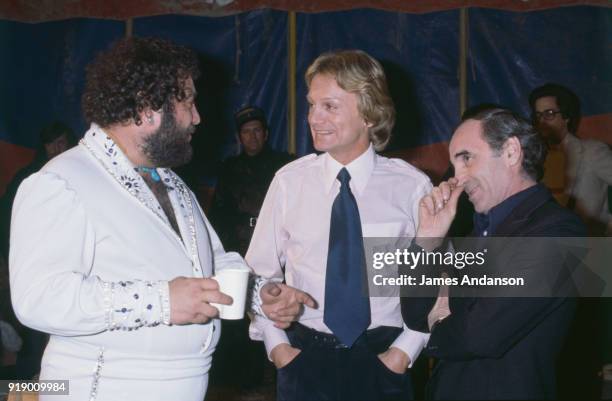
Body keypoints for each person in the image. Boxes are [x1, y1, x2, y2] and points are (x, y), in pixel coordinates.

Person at [9, 37, 246, 401]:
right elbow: (38, 299)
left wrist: (260, 294)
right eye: (188, 101)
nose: (197, 116)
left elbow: (212, 262)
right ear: (147, 107)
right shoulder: (62, 180)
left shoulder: (169, 181)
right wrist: (162, 301)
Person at [246, 50, 432, 401]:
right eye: (312, 105)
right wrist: (279, 350)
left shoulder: (412, 187)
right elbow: (258, 274)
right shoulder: (290, 182)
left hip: (384, 359)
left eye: (329, 106)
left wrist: (404, 351)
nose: (314, 117)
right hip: (304, 358)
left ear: (369, 112)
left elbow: (433, 282)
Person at [401, 108, 585, 399]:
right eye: (454, 164)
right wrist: (427, 241)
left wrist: (439, 317)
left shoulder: (558, 231)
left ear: (511, 152)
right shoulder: (476, 234)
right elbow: (414, 316)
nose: (456, 178)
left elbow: (478, 336)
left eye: (466, 159)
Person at [529, 83, 612, 236]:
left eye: (549, 113)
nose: (542, 121)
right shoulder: (535, 158)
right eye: (538, 115)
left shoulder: (593, 151)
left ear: (566, 117)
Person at [211, 106, 293, 256]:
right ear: (239, 137)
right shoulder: (228, 169)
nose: (252, 136)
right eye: (246, 132)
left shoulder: (284, 165)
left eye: (257, 130)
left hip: (275, 243)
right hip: (240, 246)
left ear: (266, 134)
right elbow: (219, 214)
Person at [0, 121, 75, 257]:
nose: (55, 149)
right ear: (44, 146)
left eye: (61, 142)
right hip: (34, 249)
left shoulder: (78, 174)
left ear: (69, 144)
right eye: (50, 143)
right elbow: (6, 214)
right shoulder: (27, 176)